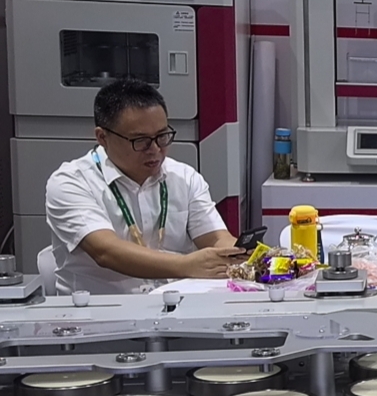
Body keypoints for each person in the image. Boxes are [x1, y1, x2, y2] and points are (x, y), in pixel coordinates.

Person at [45, 78, 244, 295]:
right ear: (102, 137)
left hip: (175, 304)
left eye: (162, 136)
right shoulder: (71, 182)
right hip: (99, 307)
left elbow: (216, 238)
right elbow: (106, 251)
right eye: (140, 141)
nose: (155, 149)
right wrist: (187, 265)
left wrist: (243, 254)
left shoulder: (184, 177)